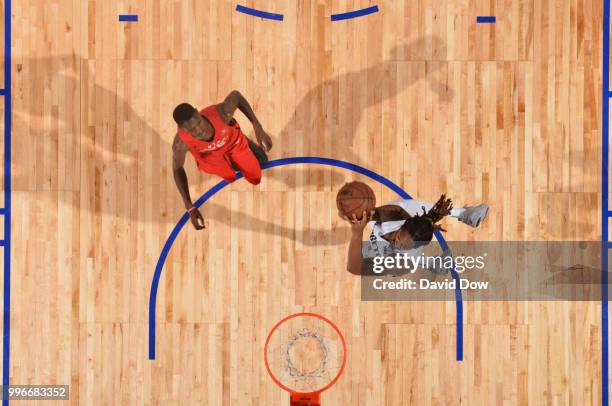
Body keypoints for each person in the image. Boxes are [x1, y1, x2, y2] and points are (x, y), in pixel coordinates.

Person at [171, 91, 273, 230]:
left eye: (198, 123)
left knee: (255, 176)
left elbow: (236, 96)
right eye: (192, 130)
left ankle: (244, 141)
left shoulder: (222, 113)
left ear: (198, 113)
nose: (199, 130)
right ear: (182, 129)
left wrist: (257, 127)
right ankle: (232, 160)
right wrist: (189, 206)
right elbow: (177, 169)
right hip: (210, 157)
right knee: (230, 176)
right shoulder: (180, 144)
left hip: (231, 142)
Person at [342, 195, 489, 275]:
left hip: (400, 259)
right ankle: (464, 214)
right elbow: (368, 215)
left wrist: (357, 234)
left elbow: (354, 268)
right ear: (403, 226)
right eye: (399, 238)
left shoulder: (405, 260)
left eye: (403, 246)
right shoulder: (397, 213)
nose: (397, 243)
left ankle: (433, 264)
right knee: (428, 210)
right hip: (406, 217)